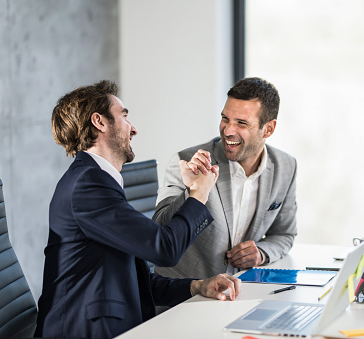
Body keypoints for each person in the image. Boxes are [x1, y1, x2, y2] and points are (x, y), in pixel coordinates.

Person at [34, 80, 241, 339]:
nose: (134, 129)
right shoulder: (88, 185)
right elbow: (164, 249)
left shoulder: (96, 181)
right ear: (99, 122)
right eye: (124, 116)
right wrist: (199, 193)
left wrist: (198, 286)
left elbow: (137, 278)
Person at [153, 77, 297, 279]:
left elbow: (284, 234)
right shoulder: (186, 161)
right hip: (184, 294)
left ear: (269, 129)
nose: (228, 131)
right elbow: (160, 231)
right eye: (225, 119)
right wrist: (194, 191)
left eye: (241, 123)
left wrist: (261, 254)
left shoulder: (286, 166)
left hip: (242, 290)